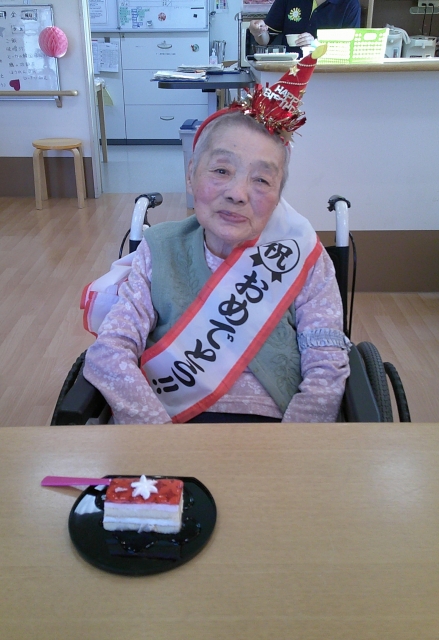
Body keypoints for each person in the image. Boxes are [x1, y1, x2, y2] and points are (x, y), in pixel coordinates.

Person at [82, 47, 351, 425]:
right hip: (168, 423)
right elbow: (109, 352)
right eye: (222, 170)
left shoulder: (305, 257)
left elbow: (327, 366)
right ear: (191, 174)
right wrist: (160, 439)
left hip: (277, 432)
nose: (238, 193)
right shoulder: (160, 249)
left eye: (261, 180)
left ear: (279, 195)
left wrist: (294, 447)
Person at [249, 0, 361, 53]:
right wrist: (259, 33)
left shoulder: (350, 4)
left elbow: (349, 49)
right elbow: (266, 40)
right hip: (289, 70)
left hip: (328, 73)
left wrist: (315, 44)